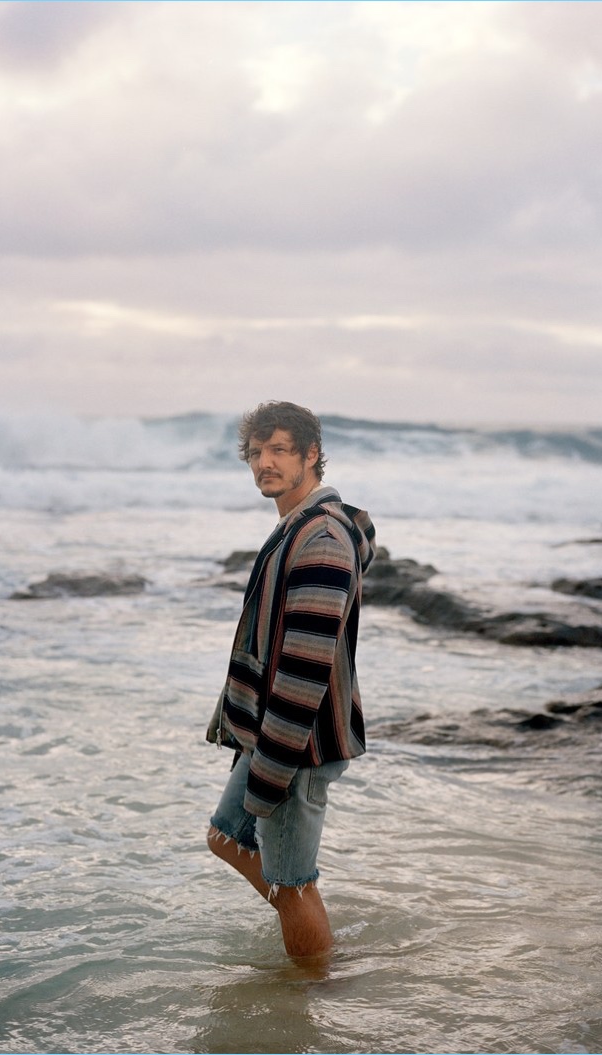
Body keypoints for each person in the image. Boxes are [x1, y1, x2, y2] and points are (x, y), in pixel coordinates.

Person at [206, 400, 376, 959]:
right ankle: (313, 931)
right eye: (256, 452)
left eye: (280, 449)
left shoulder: (320, 541)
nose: (265, 463)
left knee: (292, 882)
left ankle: (314, 988)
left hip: (295, 745)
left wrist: (272, 769)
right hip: (272, 736)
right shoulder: (296, 527)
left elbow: (304, 668)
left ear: (311, 456)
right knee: (226, 838)